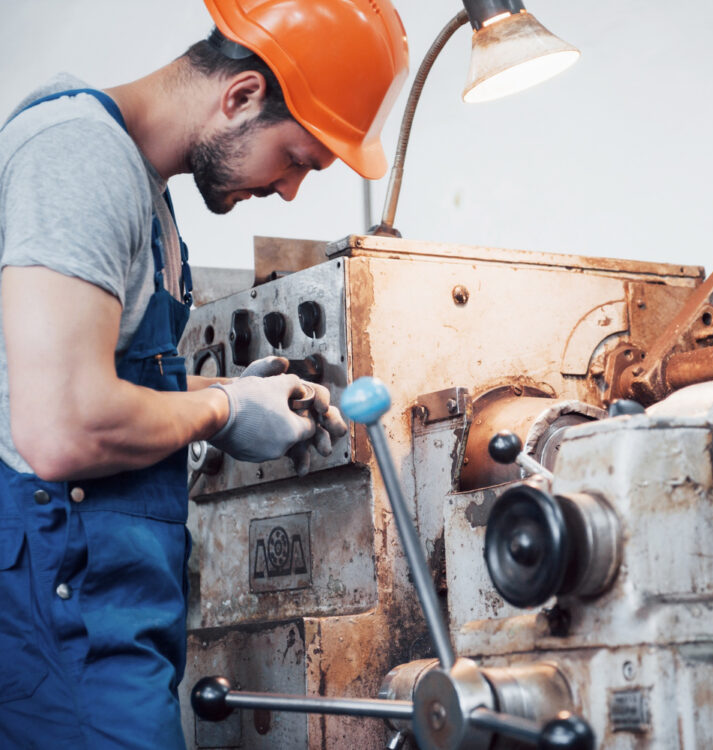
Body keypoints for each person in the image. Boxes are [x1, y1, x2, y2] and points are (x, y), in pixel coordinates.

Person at [0, 0, 408, 746]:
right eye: (296, 159)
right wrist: (221, 407)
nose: (289, 190)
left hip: (107, 607)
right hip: (56, 606)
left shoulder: (145, 193)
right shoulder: (78, 159)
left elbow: (104, 386)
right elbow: (59, 428)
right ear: (242, 96)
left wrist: (240, 397)